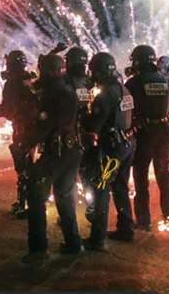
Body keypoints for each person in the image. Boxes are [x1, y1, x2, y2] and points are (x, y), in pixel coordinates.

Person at [23, 53, 83, 263]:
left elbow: (44, 125)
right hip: (72, 148)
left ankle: (38, 250)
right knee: (64, 195)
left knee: (36, 194)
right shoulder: (69, 87)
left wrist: (27, 142)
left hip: (56, 151)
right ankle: (73, 242)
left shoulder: (52, 92)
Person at [81, 52, 136, 247]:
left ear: (98, 71)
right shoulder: (123, 89)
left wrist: (83, 113)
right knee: (120, 185)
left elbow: (93, 126)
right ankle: (126, 228)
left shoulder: (106, 94)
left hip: (112, 148)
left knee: (101, 188)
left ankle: (98, 238)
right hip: (128, 144)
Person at [0, 50, 37, 216]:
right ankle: (26, 202)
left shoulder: (13, 83)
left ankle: (25, 205)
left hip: (22, 130)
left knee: (23, 167)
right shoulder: (31, 79)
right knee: (30, 165)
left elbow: (7, 111)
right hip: (36, 129)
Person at [125, 45, 169, 231]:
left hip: (144, 133)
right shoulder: (164, 80)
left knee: (141, 176)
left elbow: (127, 109)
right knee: (164, 175)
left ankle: (144, 219)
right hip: (163, 131)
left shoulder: (134, 82)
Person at [64, 47, 97, 220]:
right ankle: (92, 212)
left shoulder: (65, 81)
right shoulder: (92, 82)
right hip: (90, 134)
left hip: (71, 135)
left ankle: (68, 214)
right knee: (89, 176)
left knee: (69, 177)